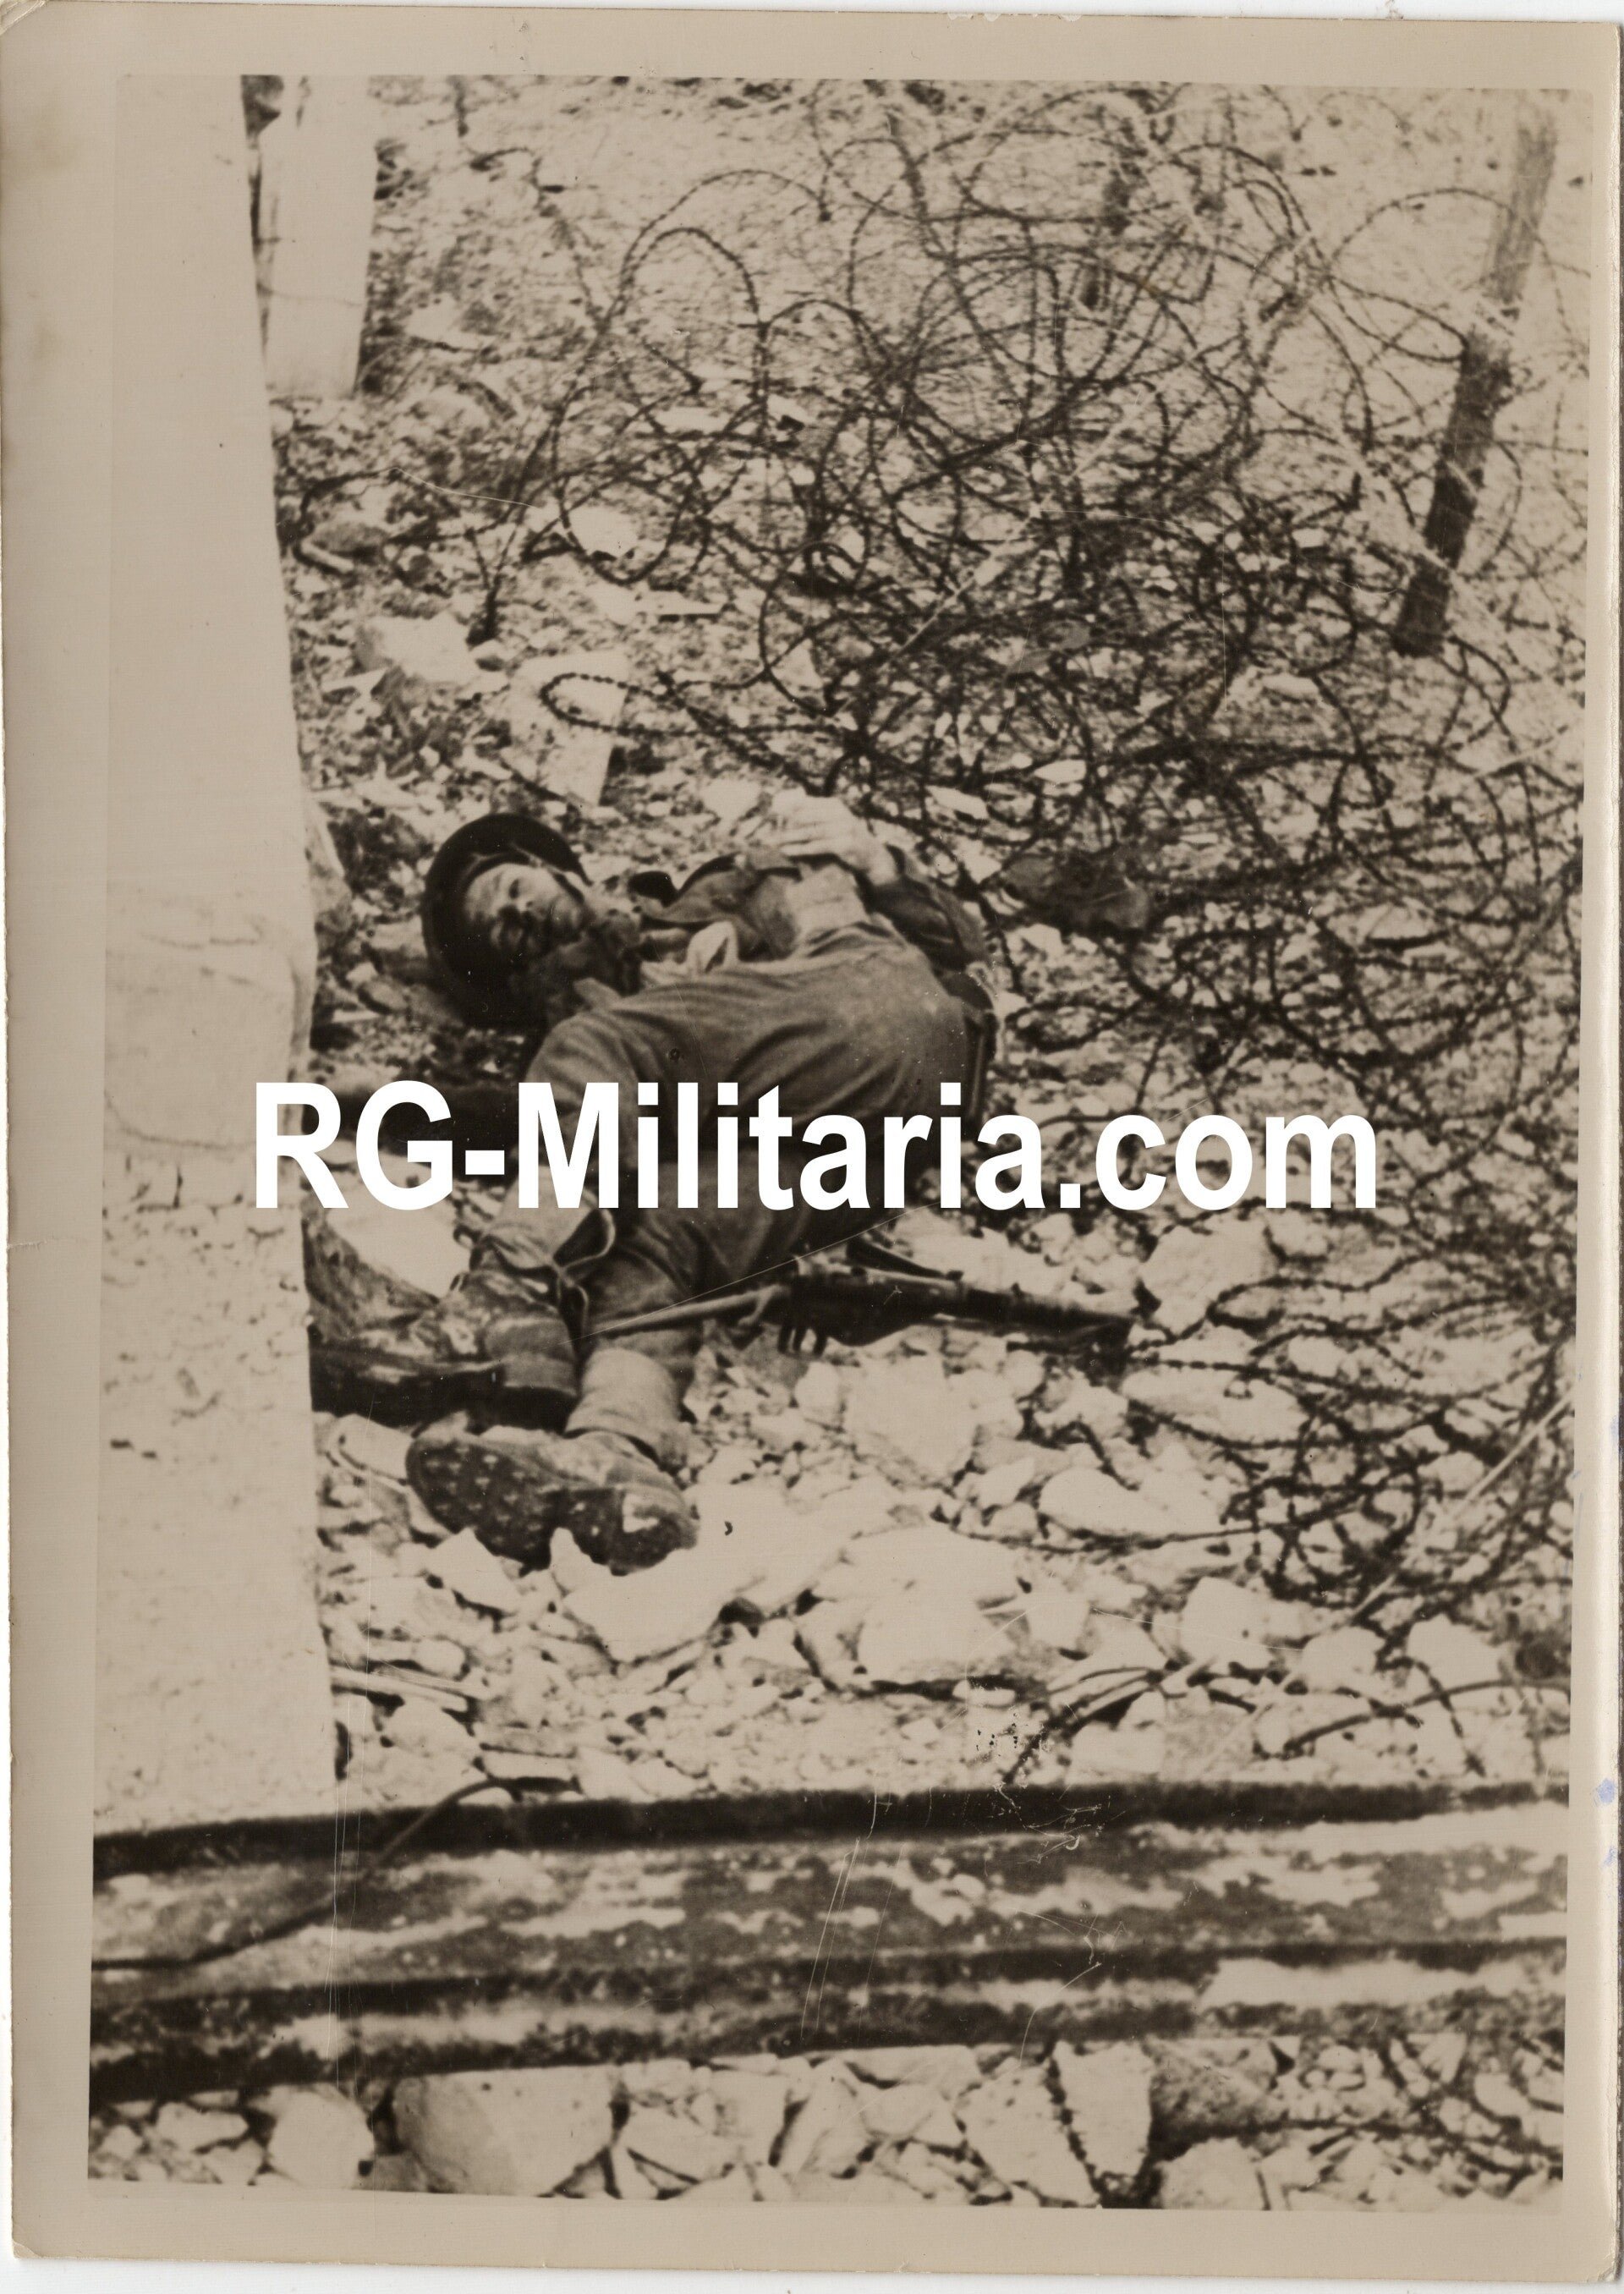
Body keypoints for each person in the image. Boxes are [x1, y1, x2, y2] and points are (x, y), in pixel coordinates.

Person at [332, 793, 994, 1574]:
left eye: (512, 889)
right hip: (859, 1161)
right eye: (498, 930)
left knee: (600, 1046)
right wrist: (354, 1111)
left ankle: (503, 1299)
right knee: (655, 1237)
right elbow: (533, 1118)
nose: (516, 915)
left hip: (884, 1015)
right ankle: (614, 1453)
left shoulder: (704, 904)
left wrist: (864, 867)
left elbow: (954, 945)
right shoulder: (587, 1027)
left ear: (555, 868)